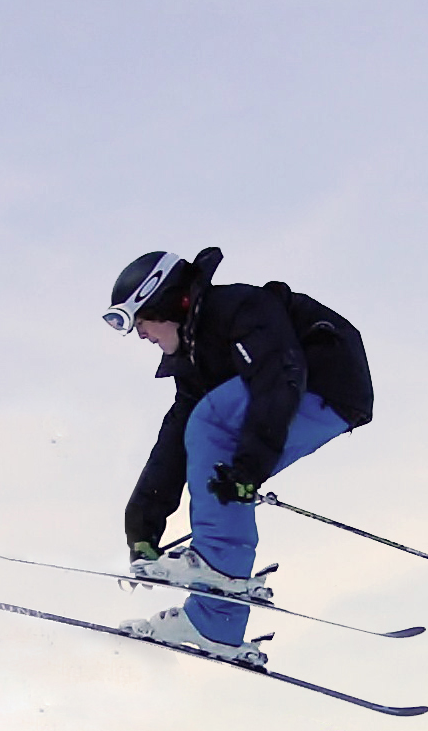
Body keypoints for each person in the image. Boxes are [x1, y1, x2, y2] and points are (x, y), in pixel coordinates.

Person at [102, 247, 374, 664]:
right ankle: (216, 623)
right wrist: (142, 527)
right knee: (213, 467)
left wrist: (251, 465)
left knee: (213, 431)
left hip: (322, 380)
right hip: (301, 402)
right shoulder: (197, 360)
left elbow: (279, 373)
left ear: (163, 301)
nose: (141, 335)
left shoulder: (239, 308)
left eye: (141, 322)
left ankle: (217, 565)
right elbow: (174, 443)